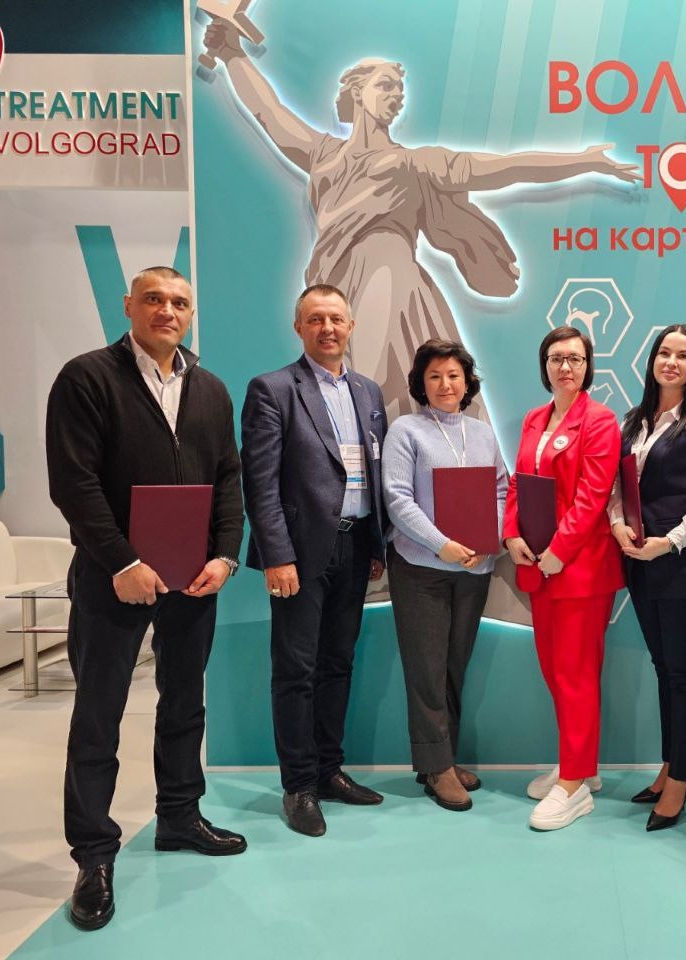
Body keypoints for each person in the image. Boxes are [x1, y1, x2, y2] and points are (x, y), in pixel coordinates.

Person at [202, 22, 638, 417]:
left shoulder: (416, 163)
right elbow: (268, 111)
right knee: (336, 389)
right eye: (385, 86)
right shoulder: (322, 154)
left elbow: (505, 167)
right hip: (335, 284)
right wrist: (232, 53)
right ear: (357, 92)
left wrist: (583, 160)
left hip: (389, 279)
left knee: (373, 384)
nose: (395, 97)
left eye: (399, 91)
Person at [45, 267, 247, 932]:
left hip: (193, 578)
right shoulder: (87, 378)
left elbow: (228, 477)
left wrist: (224, 555)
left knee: (185, 702)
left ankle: (180, 816)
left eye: (180, 301)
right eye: (154, 299)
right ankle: (94, 856)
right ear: (128, 305)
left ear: (191, 313)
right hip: (113, 579)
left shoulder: (210, 388)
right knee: (98, 715)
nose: (167, 310)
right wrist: (122, 561)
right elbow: (73, 483)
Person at [240, 284, 388, 838]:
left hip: (355, 548)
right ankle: (299, 785)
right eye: (316, 319)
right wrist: (276, 555)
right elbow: (260, 482)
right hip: (298, 556)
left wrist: (375, 545)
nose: (328, 328)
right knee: (296, 671)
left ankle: (329, 770)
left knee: (337, 665)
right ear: (298, 327)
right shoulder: (274, 389)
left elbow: (372, 471)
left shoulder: (368, 392)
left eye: (337, 319)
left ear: (351, 327)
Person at [502, 326, 624, 830]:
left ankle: (574, 786)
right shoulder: (535, 418)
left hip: (580, 570)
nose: (565, 367)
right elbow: (518, 482)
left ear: (587, 366)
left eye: (575, 358)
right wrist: (511, 534)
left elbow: (593, 497)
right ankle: (581, 765)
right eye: (556, 358)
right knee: (555, 671)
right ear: (545, 366)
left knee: (575, 675)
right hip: (538, 567)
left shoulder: (600, 421)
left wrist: (558, 551)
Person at [608, 324, 686, 831]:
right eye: (664, 352)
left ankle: (681, 779)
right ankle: (667, 765)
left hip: (683, 567)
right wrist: (617, 523)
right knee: (663, 669)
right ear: (652, 360)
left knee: (683, 673)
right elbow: (618, 488)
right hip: (640, 563)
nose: (671, 362)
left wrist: (670, 540)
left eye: (683, 355)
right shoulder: (633, 421)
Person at [381, 339, 508, 812]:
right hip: (421, 569)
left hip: (474, 568)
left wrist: (487, 541)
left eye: (453, 375)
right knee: (426, 670)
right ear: (421, 383)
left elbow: (501, 491)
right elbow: (397, 498)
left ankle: (443, 759)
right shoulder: (405, 431)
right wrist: (442, 544)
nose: (445, 384)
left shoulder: (483, 434)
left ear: (467, 382)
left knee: (454, 665)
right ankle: (436, 769)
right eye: (434, 376)